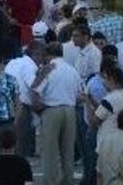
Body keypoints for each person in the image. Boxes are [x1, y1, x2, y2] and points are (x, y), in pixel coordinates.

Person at [31, 41, 81, 185]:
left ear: (47, 55)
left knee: (50, 152)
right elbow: (80, 95)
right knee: (68, 151)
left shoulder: (47, 69)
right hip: (70, 111)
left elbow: (35, 90)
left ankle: (52, 181)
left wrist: (37, 108)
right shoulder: (72, 70)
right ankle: (67, 181)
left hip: (51, 111)